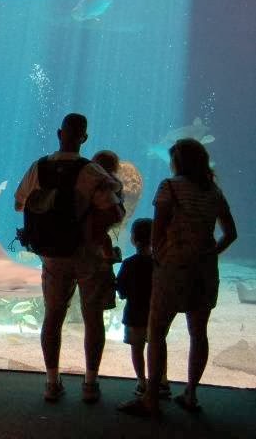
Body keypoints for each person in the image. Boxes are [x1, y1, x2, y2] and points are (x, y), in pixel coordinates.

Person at [119, 138, 237, 417]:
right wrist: (211, 254)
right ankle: (191, 394)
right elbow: (231, 233)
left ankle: (151, 399)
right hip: (204, 273)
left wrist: (160, 257)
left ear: (177, 162)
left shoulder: (169, 187)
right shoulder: (214, 192)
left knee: (156, 333)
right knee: (199, 334)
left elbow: (158, 230)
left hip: (172, 270)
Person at [14, 113, 121, 402]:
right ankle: (90, 384)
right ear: (84, 138)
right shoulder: (92, 172)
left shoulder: (39, 167)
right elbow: (115, 212)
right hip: (88, 255)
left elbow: (18, 203)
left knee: (53, 317)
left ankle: (51, 382)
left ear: (59, 133)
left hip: (52, 256)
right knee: (92, 318)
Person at [116, 218, 170, 397]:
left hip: (134, 314)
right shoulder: (160, 262)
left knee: (137, 349)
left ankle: (141, 382)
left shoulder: (129, 263)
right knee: (159, 345)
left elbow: (122, 292)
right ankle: (162, 382)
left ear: (133, 239)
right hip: (157, 312)